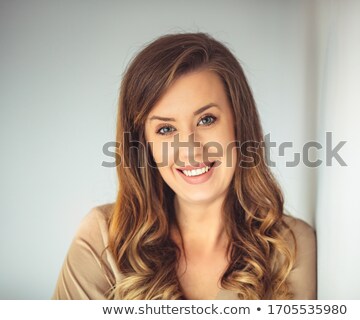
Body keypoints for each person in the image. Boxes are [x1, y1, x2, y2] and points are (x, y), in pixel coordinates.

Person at [52, 33, 316, 300]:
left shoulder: (291, 247)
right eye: (166, 129)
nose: (190, 149)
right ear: (144, 144)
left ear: (239, 123)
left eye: (206, 120)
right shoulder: (102, 238)